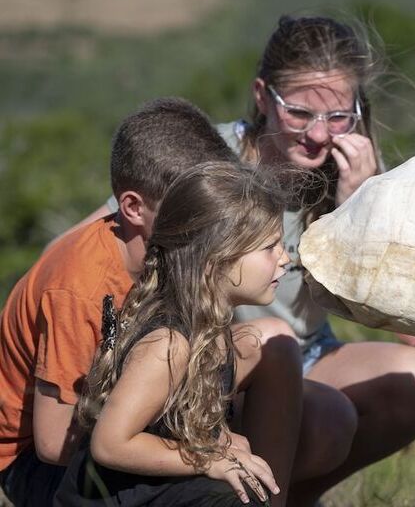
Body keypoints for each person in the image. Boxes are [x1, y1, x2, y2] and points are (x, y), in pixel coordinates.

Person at [0, 98, 304, 506]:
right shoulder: (81, 286)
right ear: (133, 207)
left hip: (126, 421)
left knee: (274, 344)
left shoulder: (178, 261)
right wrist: (201, 451)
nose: (208, 215)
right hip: (43, 466)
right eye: (190, 205)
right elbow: (54, 444)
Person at [227, 15, 415, 504]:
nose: (319, 135)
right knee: (324, 420)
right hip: (219, 362)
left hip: (308, 357)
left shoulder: (353, 173)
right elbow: (103, 241)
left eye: (338, 117)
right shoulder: (210, 154)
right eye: (299, 113)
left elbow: (409, 329)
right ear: (263, 97)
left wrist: (359, 207)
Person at [54, 161, 292, 506]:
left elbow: (182, 418)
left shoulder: (209, 325)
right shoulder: (168, 343)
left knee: (245, 485)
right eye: (270, 247)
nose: (284, 259)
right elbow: (110, 444)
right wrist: (209, 458)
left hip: (156, 492)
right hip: (116, 498)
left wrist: (223, 442)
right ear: (215, 259)